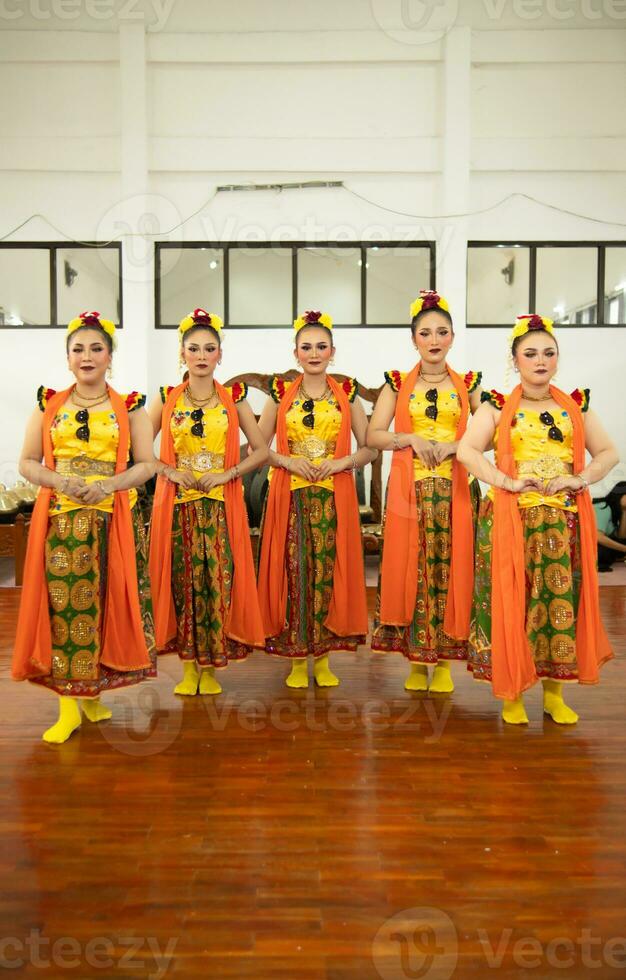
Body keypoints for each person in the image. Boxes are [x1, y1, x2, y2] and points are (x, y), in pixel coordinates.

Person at [457, 314, 618, 725]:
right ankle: (512, 695)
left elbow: (608, 455)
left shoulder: (575, 406)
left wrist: (578, 478)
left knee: (559, 604)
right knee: (514, 603)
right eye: (530, 354)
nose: (540, 360)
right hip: (512, 520)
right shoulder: (496, 406)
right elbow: (467, 452)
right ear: (515, 361)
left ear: (557, 359)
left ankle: (554, 694)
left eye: (549, 353)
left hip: (562, 525)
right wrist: (506, 481)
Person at [12, 311, 156, 743]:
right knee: (66, 609)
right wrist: (59, 481)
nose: (87, 356)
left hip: (111, 521)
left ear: (110, 356)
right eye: (79, 349)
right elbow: (27, 462)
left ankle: (94, 695)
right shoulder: (48, 405)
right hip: (61, 524)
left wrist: (110, 484)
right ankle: (68, 706)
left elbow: (148, 464)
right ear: (67, 357)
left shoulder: (131, 406)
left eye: (96, 349)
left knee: (106, 607)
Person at [368, 290, 482, 693]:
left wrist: (456, 446)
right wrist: (410, 438)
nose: (434, 340)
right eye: (425, 333)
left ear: (452, 337)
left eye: (442, 333)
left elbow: (487, 437)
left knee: (451, 573)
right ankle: (417, 664)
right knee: (412, 572)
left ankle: (446, 666)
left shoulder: (469, 385)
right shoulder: (397, 384)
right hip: (410, 494)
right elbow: (374, 435)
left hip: (456, 494)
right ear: (413, 339)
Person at [148, 309, 267, 695]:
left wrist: (230, 473)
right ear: (182, 353)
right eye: (194, 348)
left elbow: (261, 451)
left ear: (219, 355)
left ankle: (212, 667)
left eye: (209, 348)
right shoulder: (166, 398)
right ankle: (187, 668)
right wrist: (168, 471)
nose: (201, 355)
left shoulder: (235, 399)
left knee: (217, 581)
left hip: (219, 504)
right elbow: (138, 453)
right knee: (183, 582)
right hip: (179, 504)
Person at [256, 309, 375, 689]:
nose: (313, 352)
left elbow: (369, 447)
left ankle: (322, 657)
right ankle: (294, 658)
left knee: (327, 572)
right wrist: (287, 461)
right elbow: (259, 448)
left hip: (332, 495)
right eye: (306, 346)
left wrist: (341, 463)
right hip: (289, 496)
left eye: (321, 346)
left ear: (332, 351)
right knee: (294, 572)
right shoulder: (280, 395)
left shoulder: (348, 395)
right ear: (296, 353)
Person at [593, 481, 626, 571]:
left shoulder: (616, 511)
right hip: (587, 545)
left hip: (598, 545)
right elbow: (598, 537)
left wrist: (624, 511)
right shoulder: (603, 506)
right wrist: (624, 549)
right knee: (605, 551)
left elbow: (621, 537)